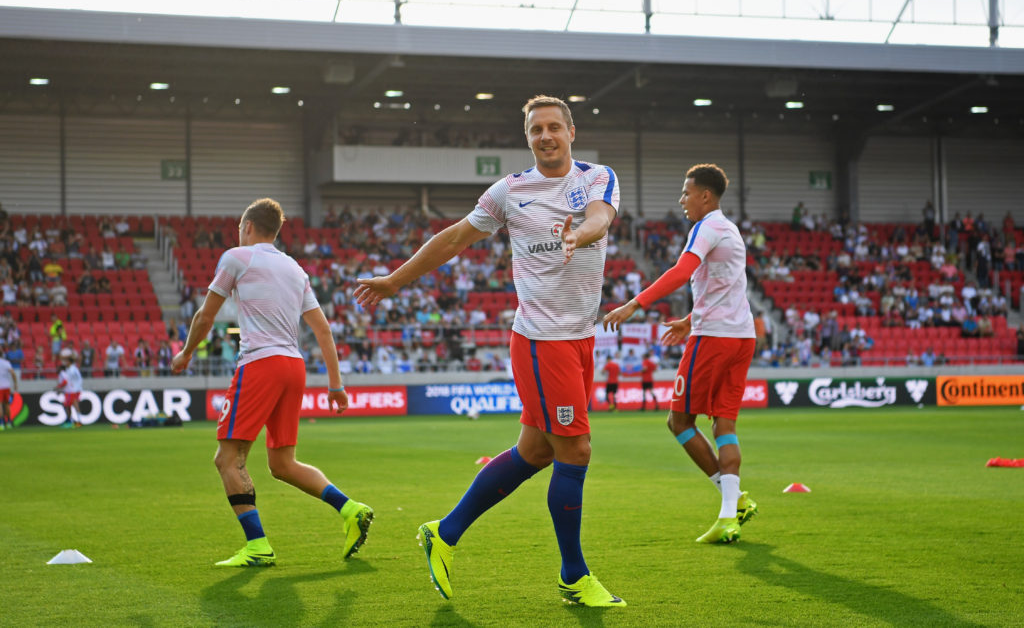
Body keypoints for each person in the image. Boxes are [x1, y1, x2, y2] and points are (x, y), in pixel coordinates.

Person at [354, 96, 625, 608]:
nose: (545, 136)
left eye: (553, 127)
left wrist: (580, 234)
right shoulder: (509, 191)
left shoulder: (597, 177)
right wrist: (395, 280)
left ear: (571, 131)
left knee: (536, 451)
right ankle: (574, 576)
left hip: (580, 338)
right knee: (576, 451)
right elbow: (455, 238)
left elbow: (599, 218)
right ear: (527, 137)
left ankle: (445, 532)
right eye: (535, 129)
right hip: (542, 343)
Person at [171, 198, 373, 568]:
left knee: (228, 459)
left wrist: (185, 353)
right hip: (294, 367)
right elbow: (323, 330)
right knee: (282, 463)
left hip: (260, 364)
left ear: (247, 226)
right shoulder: (295, 269)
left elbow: (205, 315)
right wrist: (335, 385)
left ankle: (258, 545)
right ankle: (350, 509)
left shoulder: (236, 257)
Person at [604, 163, 758, 545]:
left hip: (715, 339)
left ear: (705, 195)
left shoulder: (705, 227)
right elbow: (728, 287)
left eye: (687, 192)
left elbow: (680, 271)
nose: (682, 199)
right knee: (723, 423)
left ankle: (733, 499)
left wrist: (634, 305)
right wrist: (690, 319)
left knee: (679, 421)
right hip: (741, 336)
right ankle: (730, 510)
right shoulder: (730, 228)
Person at [55, 348, 83, 428]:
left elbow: (68, 381)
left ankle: (78, 421)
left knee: (73, 404)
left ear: (69, 362)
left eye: (66, 361)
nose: (64, 362)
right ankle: (71, 420)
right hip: (71, 390)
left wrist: (59, 388)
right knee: (68, 405)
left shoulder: (72, 369)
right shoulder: (69, 369)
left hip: (73, 390)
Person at [0, 351, 17, 430]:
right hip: (6, 386)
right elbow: (13, 373)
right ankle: (9, 422)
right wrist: (15, 383)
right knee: (7, 404)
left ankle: (1, 424)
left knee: (0, 405)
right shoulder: (6, 363)